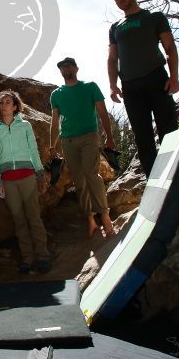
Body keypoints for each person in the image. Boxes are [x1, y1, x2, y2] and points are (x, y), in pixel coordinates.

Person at [108, 0, 179, 177]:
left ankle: (176, 175)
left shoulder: (154, 17)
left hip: (156, 78)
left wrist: (174, 77)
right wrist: (113, 86)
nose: (119, 0)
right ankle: (153, 181)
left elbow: (170, 48)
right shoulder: (115, 27)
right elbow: (113, 58)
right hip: (130, 86)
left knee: (168, 129)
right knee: (142, 135)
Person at [49, 58, 116, 238]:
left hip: (89, 137)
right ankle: (90, 219)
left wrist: (109, 137)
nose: (65, 68)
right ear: (60, 71)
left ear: (76, 68)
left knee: (91, 174)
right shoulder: (56, 94)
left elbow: (102, 112)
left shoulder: (90, 87)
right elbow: (55, 122)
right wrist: (52, 145)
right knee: (79, 180)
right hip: (67, 141)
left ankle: (105, 215)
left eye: (69, 65)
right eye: (62, 66)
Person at [0, 90, 50, 274]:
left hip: (27, 177)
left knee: (34, 217)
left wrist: (40, 175)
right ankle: (27, 258)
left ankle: (43, 257)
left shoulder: (25, 126)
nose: (4, 105)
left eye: (8, 102)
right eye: (2, 102)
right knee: (19, 220)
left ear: (15, 106)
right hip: (7, 181)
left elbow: (33, 150)